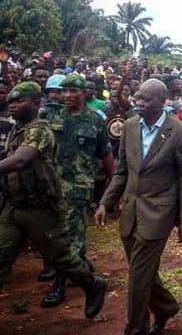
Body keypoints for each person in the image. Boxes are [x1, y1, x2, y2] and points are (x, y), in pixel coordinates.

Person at [95, 79, 182, 335]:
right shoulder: (129, 127)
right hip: (130, 211)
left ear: (162, 102)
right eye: (138, 97)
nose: (139, 102)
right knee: (143, 271)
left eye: (146, 99)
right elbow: (122, 171)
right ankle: (165, 306)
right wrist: (105, 202)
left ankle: (136, 329)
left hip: (158, 214)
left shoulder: (180, 132)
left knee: (139, 275)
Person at [0, 81, 108, 320]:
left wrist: (108, 197)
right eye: (11, 102)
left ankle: (91, 284)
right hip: (15, 204)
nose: (13, 106)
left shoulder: (41, 128)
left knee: (62, 256)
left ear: (36, 103)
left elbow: (20, 160)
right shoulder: (20, 128)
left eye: (20, 101)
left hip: (44, 204)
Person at [42, 74, 115, 308]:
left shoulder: (95, 120)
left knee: (73, 238)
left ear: (83, 93)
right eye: (64, 91)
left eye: (73, 91)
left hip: (79, 188)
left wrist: (112, 188)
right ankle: (77, 266)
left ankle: (60, 284)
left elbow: (105, 154)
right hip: (52, 186)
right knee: (53, 234)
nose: (67, 95)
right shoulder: (51, 116)